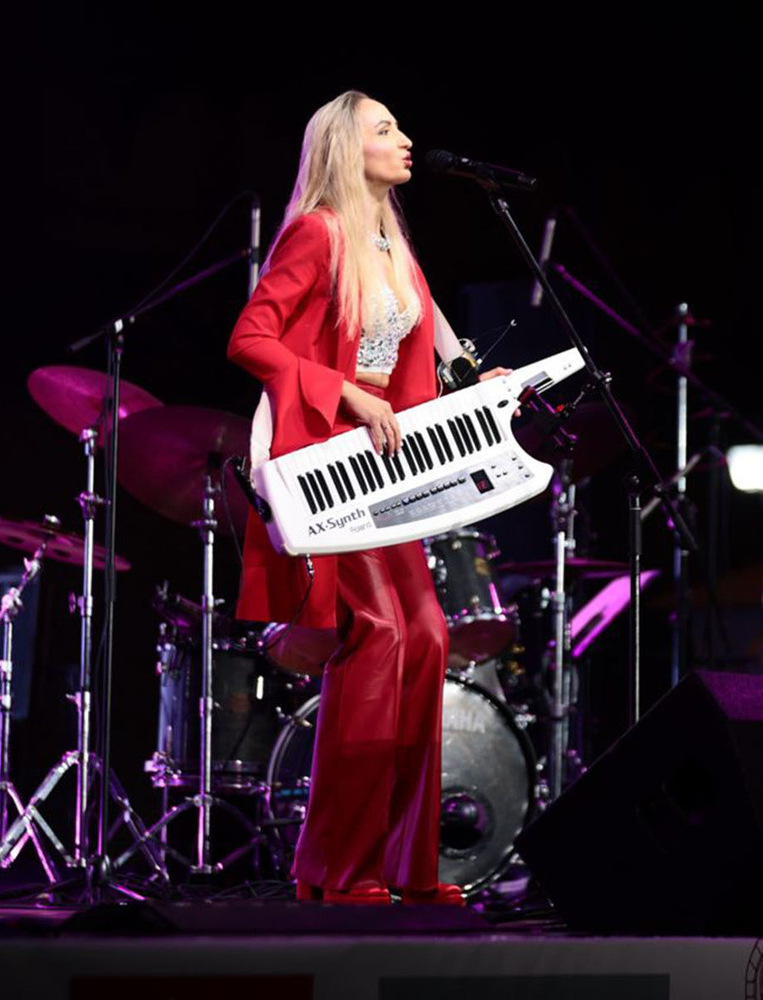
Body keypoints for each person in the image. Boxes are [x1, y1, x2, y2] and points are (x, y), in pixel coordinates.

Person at [228, 91, 505, 904]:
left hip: (387, 471)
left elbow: (421, 355)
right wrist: (344, 392)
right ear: (348, 151)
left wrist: (475, 386)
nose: (406, 139)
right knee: (379, 635)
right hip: (326, 463)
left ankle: (406, 867)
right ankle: (337, 868)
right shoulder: (317, 233)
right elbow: (250, 338)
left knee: (428, 636)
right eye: (386, 129)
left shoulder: (392, 244)